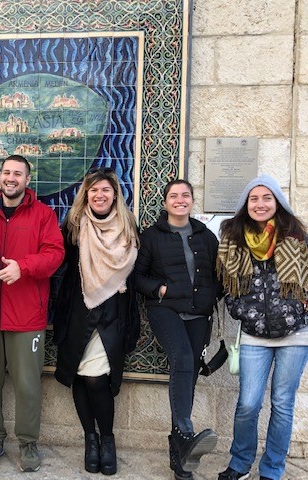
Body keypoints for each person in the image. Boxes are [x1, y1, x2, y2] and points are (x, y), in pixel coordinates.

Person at [0, 154, 64, 472]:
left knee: (27, 384)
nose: (11, 178)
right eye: (6, 172)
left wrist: (22, 268)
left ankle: (28, 443)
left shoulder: (42, 215)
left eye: (18, 173)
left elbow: (55, 254)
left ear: (28, 180)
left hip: (27, 317)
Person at [217, 175, 308, 480]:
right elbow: (228, 284)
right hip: (255, 335)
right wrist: (241, 311)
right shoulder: (232, 236)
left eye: (266, 198)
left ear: (277, 202)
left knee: (282, 404)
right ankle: (240, 464)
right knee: (248, 403)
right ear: (246, 203)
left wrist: (300, 308)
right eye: (254, 198)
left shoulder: (296, 236)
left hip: (295, 334)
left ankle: (272, 469)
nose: (260, 204)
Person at [53, 167, 140, 476]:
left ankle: (107, 439)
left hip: (113, 316)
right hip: (79, 314)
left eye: (105, 190)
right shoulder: (74, 227)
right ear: (85, 195)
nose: (99, 195)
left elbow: (138, 274)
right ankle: (91, 440)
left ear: (115, 194)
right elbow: (60, 268)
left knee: (97, 380)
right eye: (93, 190)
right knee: (80, 376)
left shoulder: (129, 228)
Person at [135, 179, 221, 480]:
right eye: (174, 196)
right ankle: (186, 432)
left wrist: (213, 296)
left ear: (193, 200)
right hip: (166, 310)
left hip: (199, 314)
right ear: (165, 202)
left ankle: (180, 456)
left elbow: (217, 274)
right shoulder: (152, 236)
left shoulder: (206, 235)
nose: (180, 200)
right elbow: (137, 277)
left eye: (186, 195)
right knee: (183, 358)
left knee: (188, 375)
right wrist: (159, 289)